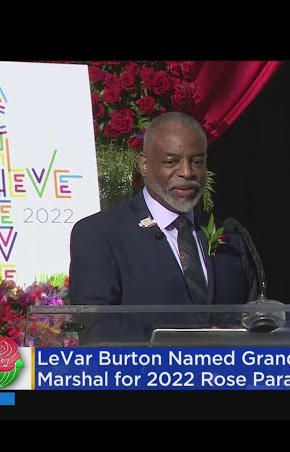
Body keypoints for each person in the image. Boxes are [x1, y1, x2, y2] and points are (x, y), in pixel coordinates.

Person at [68, 112, 259, 341]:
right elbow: (94, 326)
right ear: (145, 164)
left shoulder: (231, 235)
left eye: (197, 162)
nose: (187, 172)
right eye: (171, 162)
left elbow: (254, 320)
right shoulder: (100, 234)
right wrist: (182, 348)